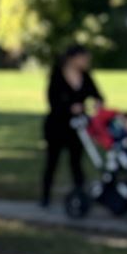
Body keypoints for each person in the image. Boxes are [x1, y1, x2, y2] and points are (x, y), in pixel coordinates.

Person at [41, 43, 103, 208]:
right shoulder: (57, 75)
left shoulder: (86, 76)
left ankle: (79, 197)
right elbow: (52, 100)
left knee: (76, 162)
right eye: (83, 58)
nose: (86, 61)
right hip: (57, 125)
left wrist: (95, 104)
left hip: (78, 127)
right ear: (73, 59)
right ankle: (45, 197)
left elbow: (97, 95)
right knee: (52, 162)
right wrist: (70, 107)